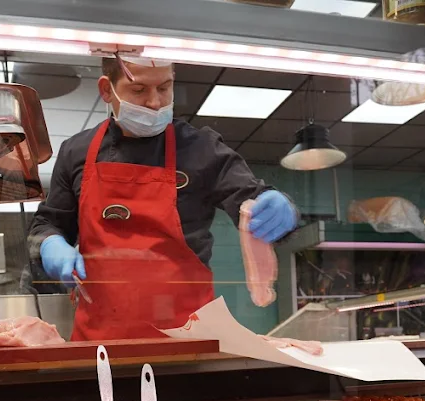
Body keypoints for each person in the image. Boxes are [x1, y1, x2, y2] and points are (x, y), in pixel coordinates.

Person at [29, 56, 299, 340]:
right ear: (107, 90)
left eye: (164, 88)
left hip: (188, 337)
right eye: (139, 90)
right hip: (100, 340)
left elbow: (251, 198)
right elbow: (47, 223)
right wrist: (50, 244)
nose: (155, 102)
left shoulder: (201, 148)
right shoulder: (76, 151)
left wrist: (279, 207)